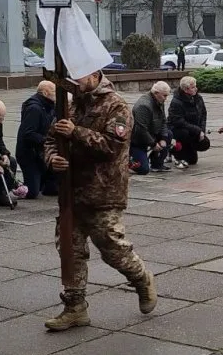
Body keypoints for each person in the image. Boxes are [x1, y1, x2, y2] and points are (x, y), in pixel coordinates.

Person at [43, 68, 158, 330]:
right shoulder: (70, 105)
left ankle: (141, 279)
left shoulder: (116, 105)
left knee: (112, 248)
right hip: (72, 191)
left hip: (103, 191)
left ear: (94, 75)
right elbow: (50, 139)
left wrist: (76, 133)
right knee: (69, 251)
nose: (74, 82)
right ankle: (74, 307)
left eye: (80, 77)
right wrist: (53, 159)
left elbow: (111, 147)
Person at [16, 81, 58, 199]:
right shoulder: (34, 108)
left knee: (52, 188)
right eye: (54, 91)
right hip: (29, 154)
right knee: (32, 192)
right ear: (45, 93)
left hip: (41, 151)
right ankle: (17, 186)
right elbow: (28, 134)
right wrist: (47, 141)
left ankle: (45, 182)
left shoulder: (49, 106)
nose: (56, 94)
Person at [130, 81, 173, 174]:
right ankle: (129, 161)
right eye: (164, 95)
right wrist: (153, 144)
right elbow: (141, 130)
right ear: (156, 93)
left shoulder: (159, 101)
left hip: (153, 133)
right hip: (137, 141)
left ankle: (157, 164)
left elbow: (163, 121)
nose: (166, 98)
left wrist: (163, 138)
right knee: (143, 169)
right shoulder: (143, 105)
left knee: (168, 134)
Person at [168, 76, 210, 168]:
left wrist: (201, 130)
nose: (196, 89)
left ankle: (188, 148)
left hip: (194, 128)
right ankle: (173, 149)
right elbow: (178, 121)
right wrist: (197, 130)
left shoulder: (198, 98)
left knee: (204, 144)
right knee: (185, 134)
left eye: (195, 86)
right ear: (186, 90)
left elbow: (203, 114)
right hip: (179, 129)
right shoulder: (177, 102)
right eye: (193, 87)